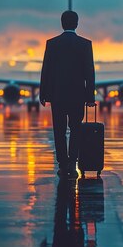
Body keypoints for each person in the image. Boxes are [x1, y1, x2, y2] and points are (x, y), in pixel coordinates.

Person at [39, 10, 96, 177]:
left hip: (57, 96)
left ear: (62, 24)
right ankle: (73, 162)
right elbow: (89, 72)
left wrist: (43, 93)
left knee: (59, 130)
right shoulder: (85, 44)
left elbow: (46, 70)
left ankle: (62, 164)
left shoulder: (52, 43)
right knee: (76, 129)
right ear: (77, 24)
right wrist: (90, 97)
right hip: (78, 96)